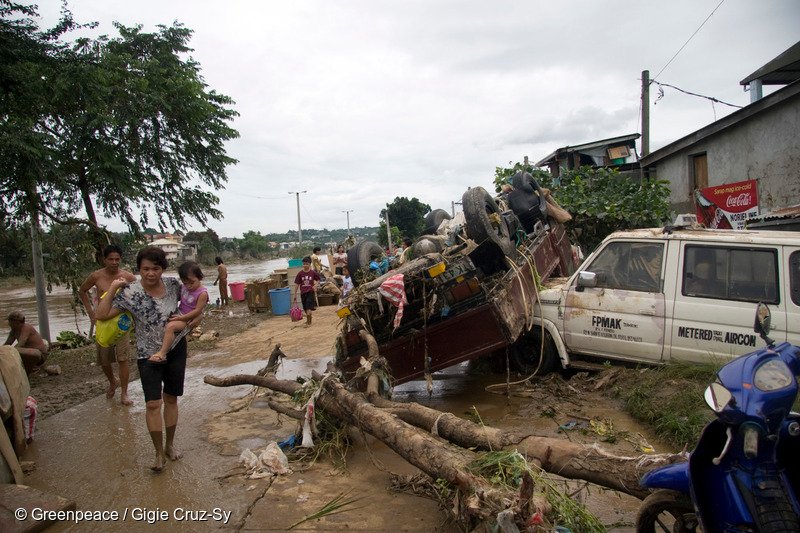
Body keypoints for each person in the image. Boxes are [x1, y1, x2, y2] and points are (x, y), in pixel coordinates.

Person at [95, 246, 199, 472]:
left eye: (155, 268)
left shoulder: (173, 285)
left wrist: (194, 319)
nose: (151, 273)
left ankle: (170, 446)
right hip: (147, 355)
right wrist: (113, 288)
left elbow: (196, 297)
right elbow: (101, 315)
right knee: (153, 403)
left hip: (176, 349)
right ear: (139, 269)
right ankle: (158, 454)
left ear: (162, 269)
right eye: (145, 269)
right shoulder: (130, 292)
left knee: (171, 399)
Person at [79, 244, 137, 405]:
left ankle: (124, 393)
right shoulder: (96, 276)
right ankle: (113, 381)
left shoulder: (128, 277)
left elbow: (138, 295)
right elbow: (82, 291)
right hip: (103, 321)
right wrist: (91, 313)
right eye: (110, 259)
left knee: (123, 358)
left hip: (121, 322)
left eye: (117, 259)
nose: (114, 262)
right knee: (104, 359)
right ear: (104, 260)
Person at [150, 261, 209, 362]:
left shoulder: (202, 293)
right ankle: (165, 349)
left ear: (200, 277)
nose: (189, 286)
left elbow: (198, 311)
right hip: (180, 313)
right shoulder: (183, 287)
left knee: (171, 327)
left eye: (192, 282)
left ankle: (162, 353)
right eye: (185, 283)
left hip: (188, 318)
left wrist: (181, 318)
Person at [4, 311, 48, 376]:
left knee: (15, 349)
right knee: (8, 350)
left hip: (40, 355)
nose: (9, 324)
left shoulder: (26, 328)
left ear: (16, 322)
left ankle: (32, 368)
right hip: (28, 353)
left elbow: (21, 344)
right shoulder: (14, 330)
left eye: (10, 321)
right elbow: (7, 344)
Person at [293, 256, 320, 327]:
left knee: (308, 307)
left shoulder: (313, 272)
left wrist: (315, 285)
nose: (305, 265)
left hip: (310, 292)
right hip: (303, 293)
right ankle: (309, 318)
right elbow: (297, 284)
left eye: (306, 264)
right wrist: (295, 294)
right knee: (305, 308)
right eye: (304, 264)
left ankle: (309, 323)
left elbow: (318, 280)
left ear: (310, 264)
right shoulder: (300, 274)